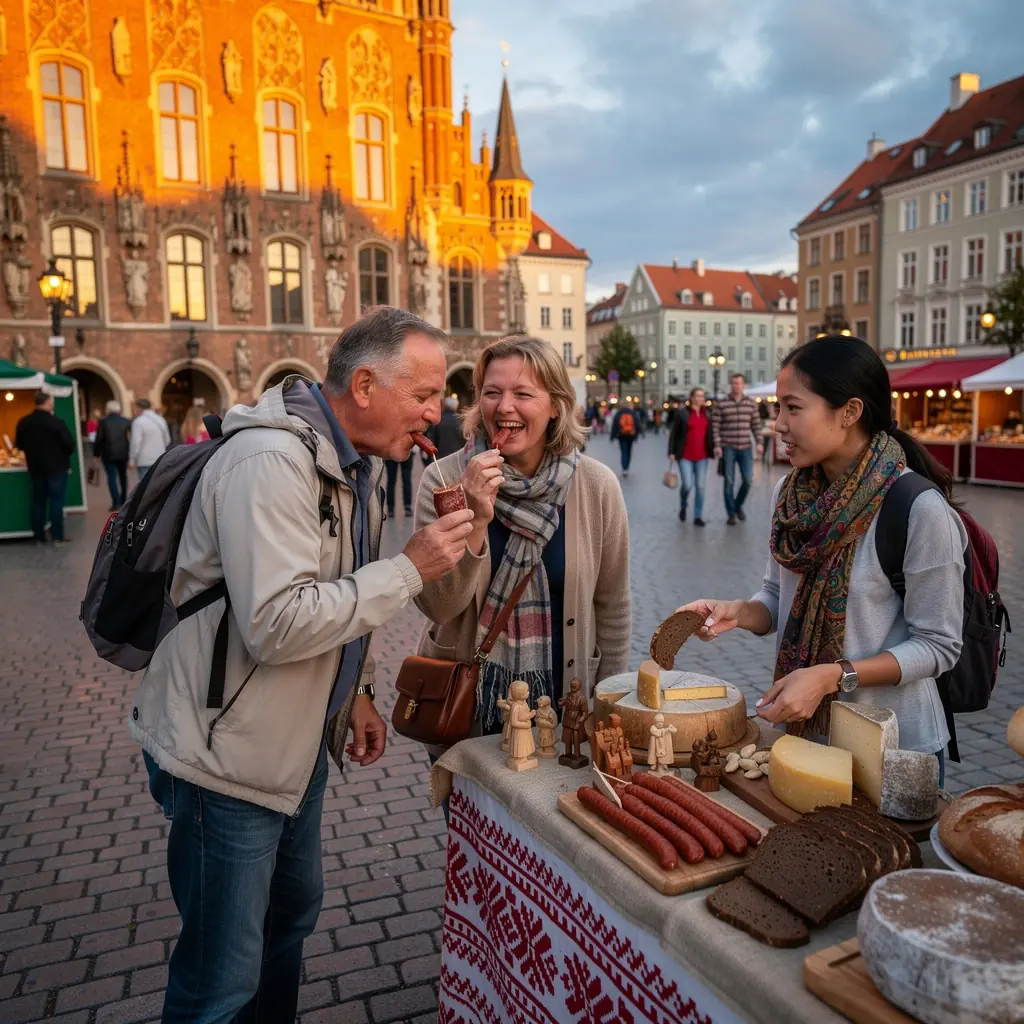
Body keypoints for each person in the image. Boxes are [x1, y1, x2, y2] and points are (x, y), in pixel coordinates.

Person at [129, 306, 475, 1023]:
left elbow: (337, 584)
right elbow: (278, 623)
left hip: (294, 745)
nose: (436, 413)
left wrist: (358, 692)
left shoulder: (359, 464)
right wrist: (410, 569)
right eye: (425, 396)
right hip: (226, 757)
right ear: (367, 386)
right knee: (219, 978)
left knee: (286, 926)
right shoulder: (270, 462)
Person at [676, 335, 966, 784]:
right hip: (808, 744)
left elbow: (939, 645)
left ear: (849, 412)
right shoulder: (790, 496)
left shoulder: (918, 509)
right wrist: (738, 611)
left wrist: (834, 676)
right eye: (777, 409)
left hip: (896, 751)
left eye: (793, 408)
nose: (778, 424)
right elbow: (777, 595)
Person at [413, 333, 630, 754]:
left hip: (567, 715)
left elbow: (613, 606)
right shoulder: (442, 480)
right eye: (491, 393)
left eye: (523, 393)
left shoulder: (596, 486)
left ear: (555, 407)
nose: (504, 406)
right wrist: (474, 519)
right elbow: (438, 605)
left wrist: (607, 705)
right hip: (469, 711)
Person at [14, 390, 75, 544]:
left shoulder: (24, 422)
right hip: (57, 466)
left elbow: (19, 445)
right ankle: (57, 536)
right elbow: (69, 445)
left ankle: (39, 536)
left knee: (38, 501)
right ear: (49, 403)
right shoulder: (56, 422)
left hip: (35, 467)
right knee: (56, 502)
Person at [712, 373, 763, 525]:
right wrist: (717, 445)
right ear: (731, 385)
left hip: (745, 447)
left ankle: (737, 505)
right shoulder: (722, 403)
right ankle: (731, 514)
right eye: (734, 383)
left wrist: (759, 442)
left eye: (739, 383)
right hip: (728, 447)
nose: (736, 386)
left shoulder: (751, 403)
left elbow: (756, 425)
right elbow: (715, 426)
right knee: (729, 481)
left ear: (744, 385)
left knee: (748, 480)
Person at [668, 386, 714, 526]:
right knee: (687, 485)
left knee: (700, 487)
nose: (701, 398)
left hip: (702, 456)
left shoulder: (708, 413)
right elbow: (674, 434)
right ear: (692, 397)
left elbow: (711, 433)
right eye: (698, 396)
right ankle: (683, 505)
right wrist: (671, 452)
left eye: (702, 396)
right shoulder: (682, 413)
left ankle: (698, 516)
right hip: (685, 455)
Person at [93, 400, 132, 510]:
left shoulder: (103, 422)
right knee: (123, 476)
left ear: (108, 410)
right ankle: (124, 500)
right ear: (119, 409)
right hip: (124, 453)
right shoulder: (126, 421)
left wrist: (96, 455)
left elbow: (99, 439)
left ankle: (116, 502)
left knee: (111, 477)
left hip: (108, 454)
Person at [129, 398, 171, 480]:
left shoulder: (138, 421)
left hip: (144, 460)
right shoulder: (161, 419)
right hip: (160, 458)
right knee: (158, 485)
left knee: (145, 487)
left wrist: (132, 460)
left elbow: (135, 443)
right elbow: (167, 440)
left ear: (139, 408)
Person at [424, 394, 465, 459]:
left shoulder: (438, 420)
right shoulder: (460, 421)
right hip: (457, 457)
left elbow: (432, 439)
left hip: (440, 457)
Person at [609, 402, 638, 477]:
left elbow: (615, 424)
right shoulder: (632, 413)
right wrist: (636, 435)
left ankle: (624, 468)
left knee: (623, 451)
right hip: (630, 435)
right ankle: (627, 468)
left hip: (621, 435)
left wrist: (612, 436)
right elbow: (637, 423)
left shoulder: (619, 413)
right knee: (629, 451)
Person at [384, 453, 414, 519]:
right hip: (406, 451)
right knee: (406, 479)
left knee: (391, 481)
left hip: (391, 453)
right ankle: (407, 507)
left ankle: (390, 509)